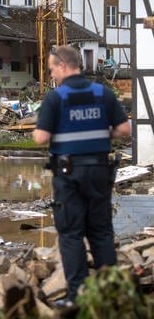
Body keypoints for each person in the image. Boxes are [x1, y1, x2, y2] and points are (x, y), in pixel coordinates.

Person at [33, 46, 131, 307]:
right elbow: (124, 129)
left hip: (69, 174)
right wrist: (101, 134)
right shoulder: (102, 93)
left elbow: (41, 137)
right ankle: (110, 293)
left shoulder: (56, 98)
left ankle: (78, 297)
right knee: (101, 231)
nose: (52, 73)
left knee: (71, 233)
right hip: (100, 171)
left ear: (63, 66)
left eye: (52, 68)